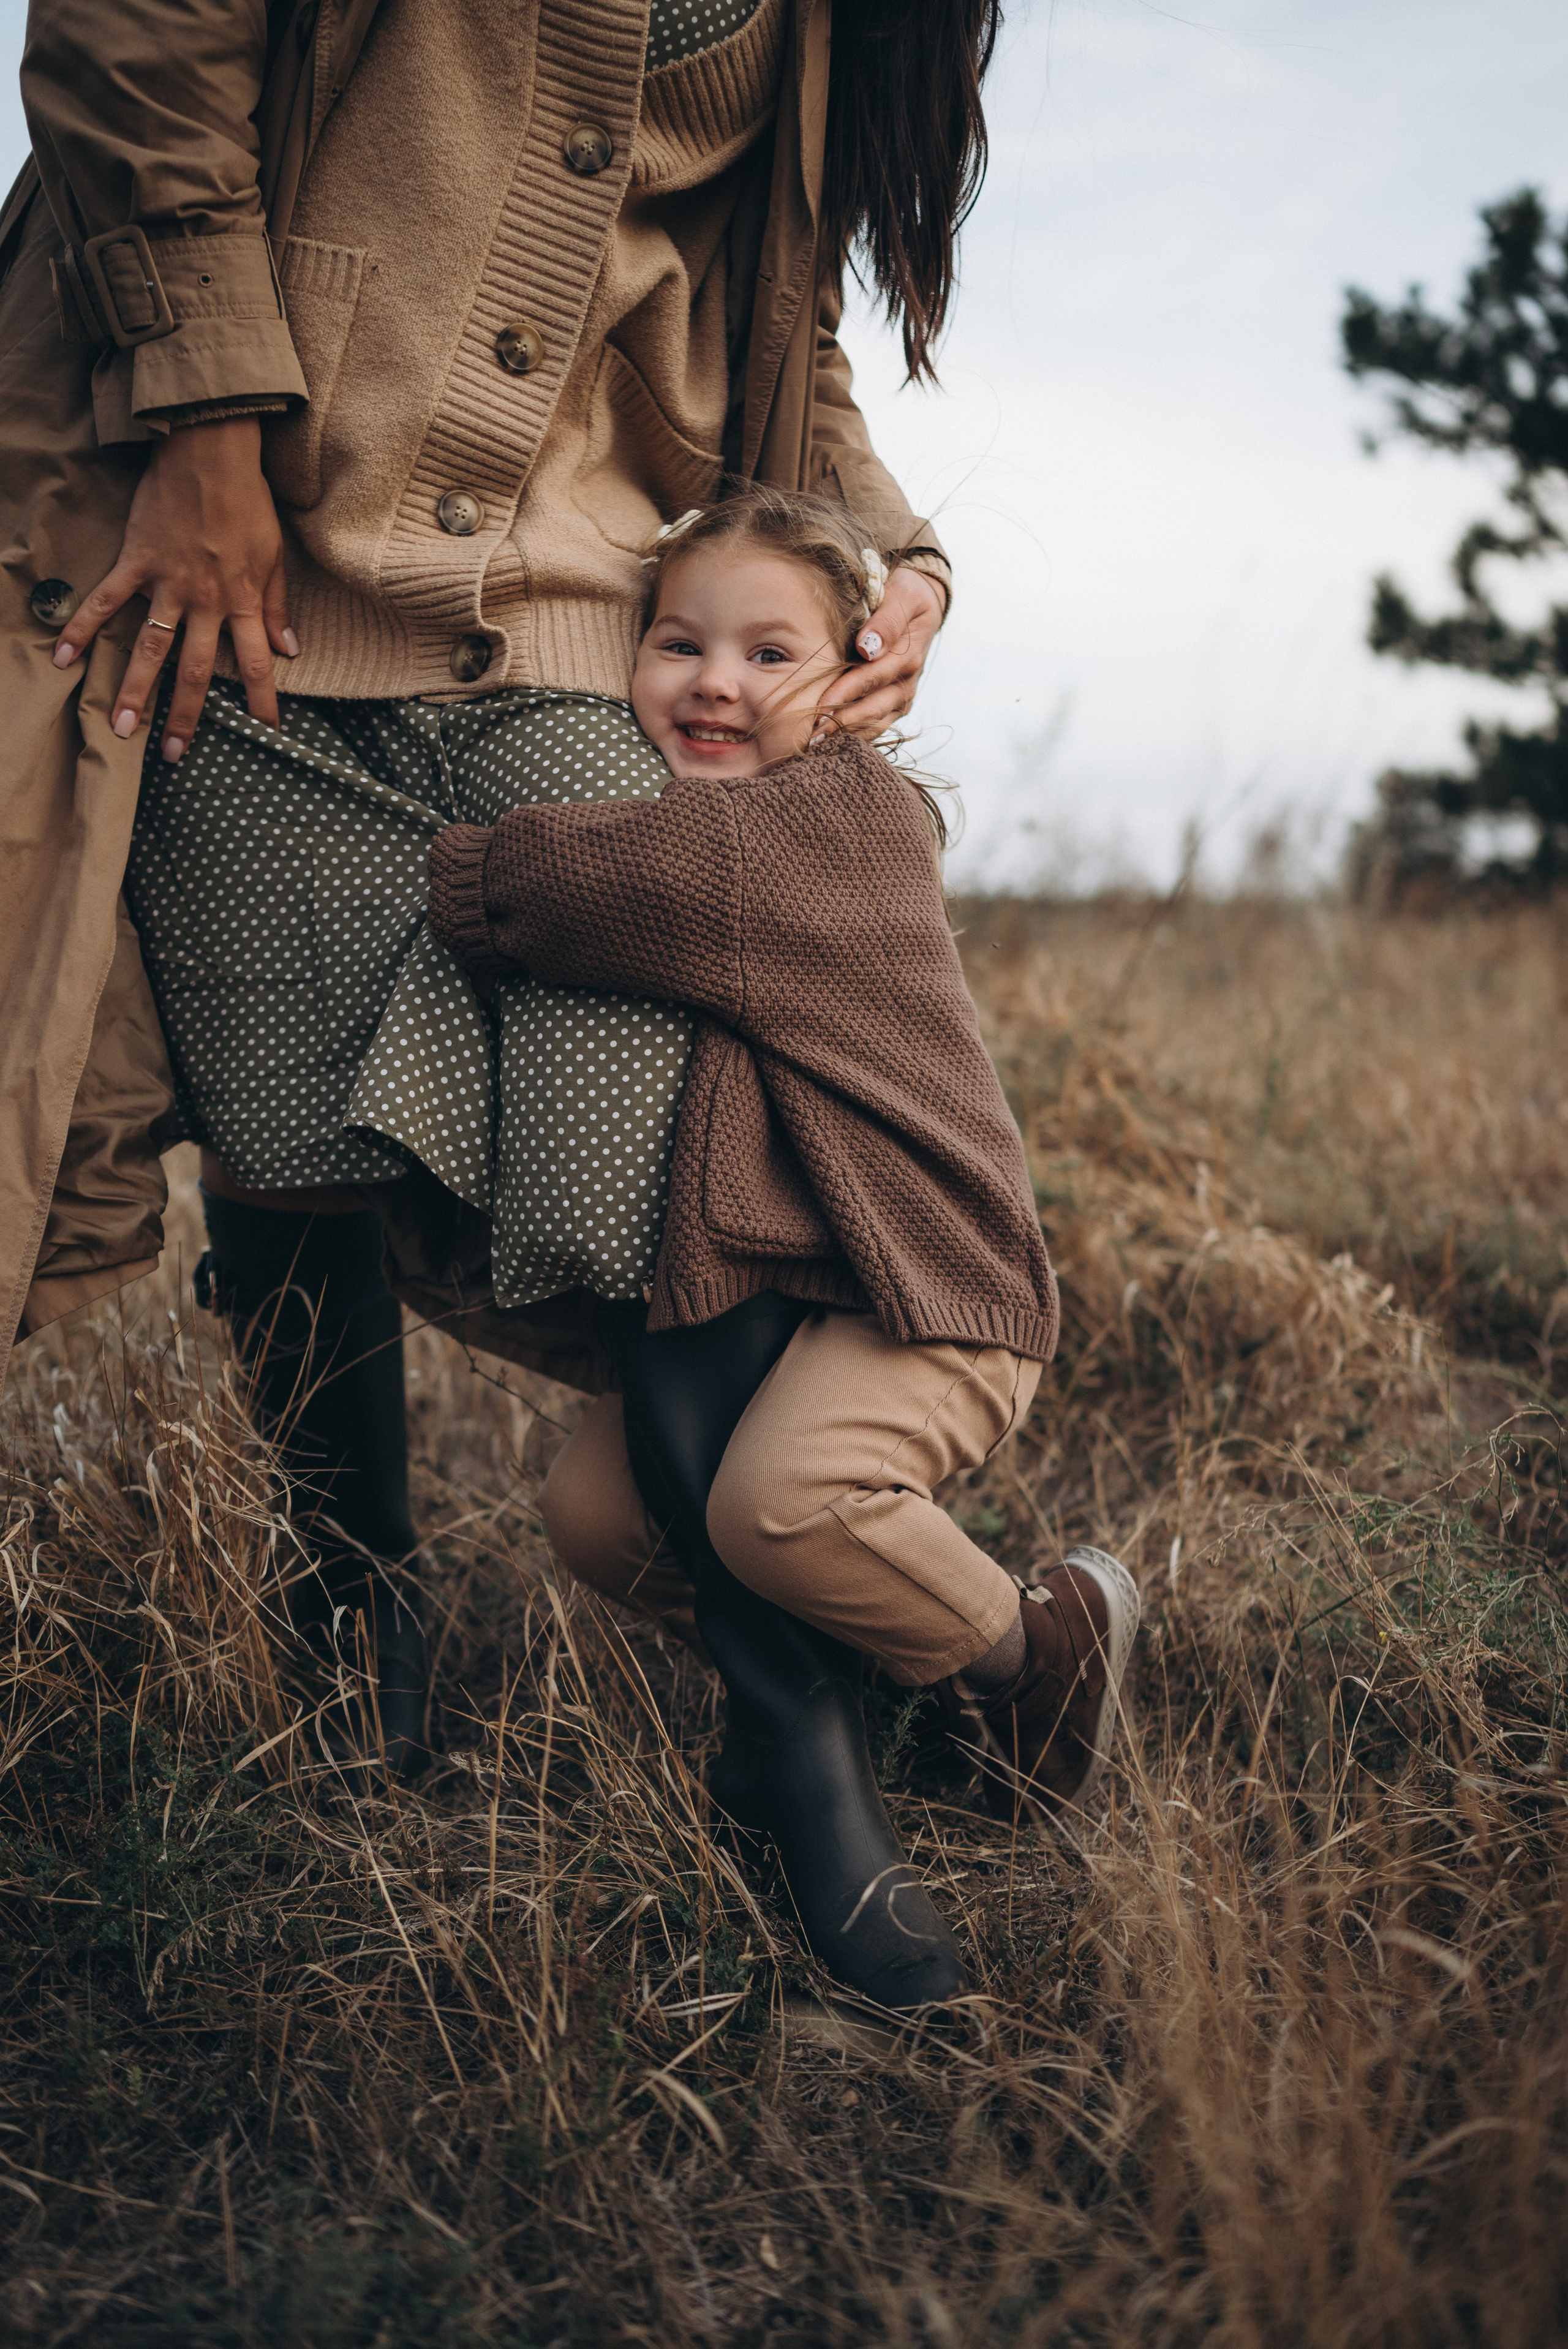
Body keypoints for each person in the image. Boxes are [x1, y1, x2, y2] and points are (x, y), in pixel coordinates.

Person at [0, 4, 987, 1767]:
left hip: (594, 608)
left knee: (662, 1141)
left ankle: (801, 1684)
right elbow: (129, 37)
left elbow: (770, 315)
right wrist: (210, 420)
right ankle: (344, 1600)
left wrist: (894, 549)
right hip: (246, 557)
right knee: (281, 1132)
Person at [426, 488, 1141, 2011]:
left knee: (776, 1503)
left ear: (855, 682)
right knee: (602, 1516)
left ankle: (1035, 1652)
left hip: (932, 1290)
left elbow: (559, 889)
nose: (713, 684)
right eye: (676, 643)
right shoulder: (737, 809)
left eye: (769, 653)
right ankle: (896, 1682)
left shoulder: (819, 820)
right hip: (812, 1286)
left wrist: (439, 859)